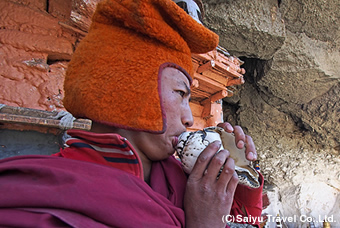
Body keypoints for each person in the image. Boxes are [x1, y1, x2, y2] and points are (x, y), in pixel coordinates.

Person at [0, 0, 263, 227]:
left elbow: (247, 222)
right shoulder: (31, 200)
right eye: (181, 94)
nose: (189, 119)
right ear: (131, 88)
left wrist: (238, 184)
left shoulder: (184, 179)